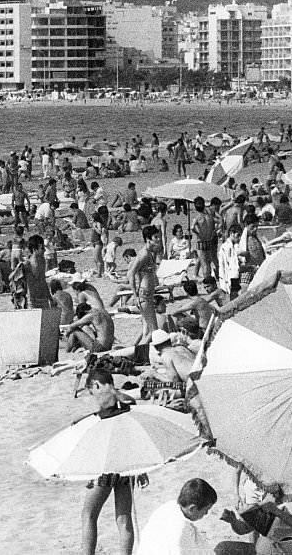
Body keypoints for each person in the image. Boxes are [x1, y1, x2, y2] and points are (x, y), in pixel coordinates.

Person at [79, 370, 137, 555]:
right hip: (125, 465)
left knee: (88, 514)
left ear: (96, 385)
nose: (94, 396)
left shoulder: (106, 403)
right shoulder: (125, 403)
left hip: (106, 466)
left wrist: (109, 391)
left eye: (92, 390)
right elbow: (131, 404)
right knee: (124, 518)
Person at [221, 474, 292, 555]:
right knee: (223, 548)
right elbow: (244, 529)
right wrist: (233, 521)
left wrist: (278, 512)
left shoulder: (291, 501)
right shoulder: (264, 504)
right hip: (274, 549)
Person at [136, 478, 217, 555]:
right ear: (192, 508)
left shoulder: (169, 506)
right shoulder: (179, 532)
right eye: (206, 509)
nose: (206, 513)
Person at [127, 225, 162, 345]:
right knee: (153, 330)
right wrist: (135, 295)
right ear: (148, 239)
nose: (158, 239)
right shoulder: (143, 254)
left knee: (147, 330)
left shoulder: (150, 253)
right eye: (156, 237)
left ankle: (138, 352)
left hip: (147, 295)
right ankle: (138, 353)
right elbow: (130, 273)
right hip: (144, 295)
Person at [190, 197, 217, 281]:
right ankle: (207, 277)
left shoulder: (198, 217)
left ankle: (207, 279)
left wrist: (198, 233)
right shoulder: (209, 216)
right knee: (207, 262)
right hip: (208, 239)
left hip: (200, 240)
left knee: (203, 262)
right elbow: (218, 223)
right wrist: (213, 232)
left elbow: (192, 227)